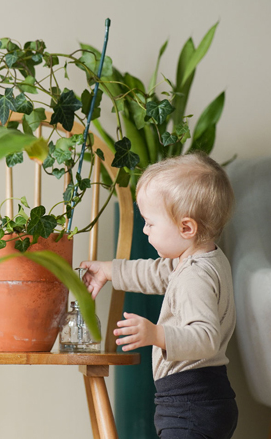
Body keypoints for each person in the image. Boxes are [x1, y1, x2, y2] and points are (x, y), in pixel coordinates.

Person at [80, 152, 237, 439]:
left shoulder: (194, 276)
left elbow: (205, 336)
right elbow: (154, 273)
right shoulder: (201, 259)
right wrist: (108, 270)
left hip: (190, 401)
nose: (145, 230)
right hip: (200, 397)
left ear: (186, 228)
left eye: (150, 223)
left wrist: (157, 334)